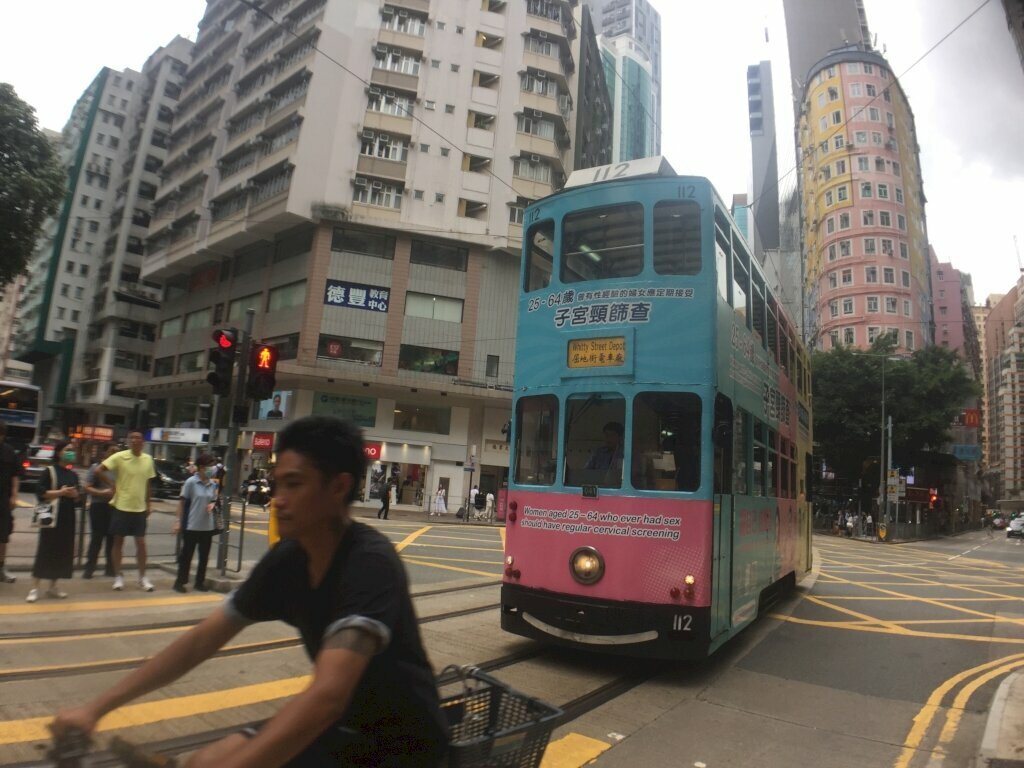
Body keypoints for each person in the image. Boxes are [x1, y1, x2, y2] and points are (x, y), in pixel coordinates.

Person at [52, 416, 449, 767]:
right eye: (278, 484)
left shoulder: (369, 563)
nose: (277, 500)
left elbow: (328, 695)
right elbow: (199, 642)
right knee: (206, 760)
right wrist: (94, 710)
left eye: (294, 485)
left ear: (338, 487)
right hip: (341, 726)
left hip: (402, 746)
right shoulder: (289, 559)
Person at [97, 431, 157, 592]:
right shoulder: (120, 456)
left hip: (139, 508)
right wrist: (112, 485)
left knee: (141, 543)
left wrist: (149, 503)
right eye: (132, 438)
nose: (135, 440)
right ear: (129, 441)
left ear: (143, 442)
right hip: (121, 506)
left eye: (138, 437)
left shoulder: (148, 459)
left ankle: (142, 577)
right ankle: (118, 576)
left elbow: (148, 484)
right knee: (118, 542)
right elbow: (99, 470)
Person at [26, 439, 79, 603]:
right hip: (51, 518)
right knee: (45, 550)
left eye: (72, 450)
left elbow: (79, 499)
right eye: (67, 449)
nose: (71, 452)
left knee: (62, 552)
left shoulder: (73, 474)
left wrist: (74, 495)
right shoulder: (49, 471)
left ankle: (53, 586)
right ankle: (34, 587)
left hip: (67, 518)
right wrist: (61, 492)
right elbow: (40, 493)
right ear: (59, 453)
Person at [172, 453, 220, 594]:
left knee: (204, 557)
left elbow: (214, 501)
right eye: (209, 465)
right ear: (201, 467)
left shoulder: (213, 484)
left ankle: (200, 582)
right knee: (186, 556)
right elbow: (182, 503)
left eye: (213, 465)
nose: (212, 468)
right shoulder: (191, 482)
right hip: (192, 525)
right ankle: (180, 582)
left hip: (207, 526)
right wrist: (177, 521)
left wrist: (213, 505)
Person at [82, 443, 118, 579]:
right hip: (98, 507)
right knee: (96, 539)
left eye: (117, 451)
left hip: (115, 507)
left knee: (112, 539)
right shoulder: (96, 468)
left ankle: (111, 568)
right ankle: (89, 569)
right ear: (105, 453)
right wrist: (102, 493)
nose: (114, 453)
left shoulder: (119, 469)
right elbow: (87, 487)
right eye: (111, 451)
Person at [0, 422, 25, 584]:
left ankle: (1, 569)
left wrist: (14, 496)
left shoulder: (9, 452)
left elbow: (16, 475)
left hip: (3, 500)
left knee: (3, 536)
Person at [583, 421, 624, 485]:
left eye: (612, 435)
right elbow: (586, 472)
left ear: (620, 437)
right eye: (606, 435)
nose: (608, 438)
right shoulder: (598, 453)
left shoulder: (626, 454)